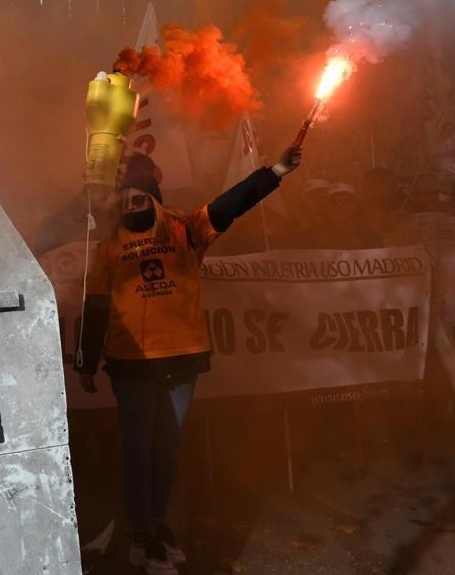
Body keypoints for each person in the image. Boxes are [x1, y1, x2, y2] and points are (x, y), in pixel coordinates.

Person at [77, 147, 302, 575]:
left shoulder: (185, 227)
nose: (133, 199)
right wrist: (86, 362)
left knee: (168, 450)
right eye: (125, 193)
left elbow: (232, 203)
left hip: (182, 360)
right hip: (132, 365)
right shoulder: (106, 249)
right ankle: (140, 538)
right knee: (138, 452)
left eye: (140, 192)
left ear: (154, 194)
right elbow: (96, 307)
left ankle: (156, 526)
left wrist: (275, 172)